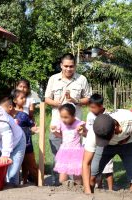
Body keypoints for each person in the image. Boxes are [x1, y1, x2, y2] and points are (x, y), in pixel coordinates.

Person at [45, 53, 91, 185]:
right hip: (57, 125)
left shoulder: (82, 79)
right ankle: (58, 185)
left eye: (71, 66)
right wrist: (58, 104)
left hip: (76, 128)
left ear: (75, 66)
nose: (68, 69)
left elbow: (88, 99)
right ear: (61, 65)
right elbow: (47, 98)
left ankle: (74, 186)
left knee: (75, 157)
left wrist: (74, 100)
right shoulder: (53, 79)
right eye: (65, 66)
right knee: (58, 156)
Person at [82, 109, 132, 194]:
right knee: (91, 176)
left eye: (106, 138)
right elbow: (86, 163)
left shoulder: (131, 120)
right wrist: (87, 192)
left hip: (130, 145)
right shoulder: (94, 133)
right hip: (106, 147)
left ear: (115, 128)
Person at [0, 95, 39, 185]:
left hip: (27, 145)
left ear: (10, 107)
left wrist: (36, 130)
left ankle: (39, 183)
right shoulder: (4, 119)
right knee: (16, 167)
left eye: (2, 110)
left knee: (31, 166)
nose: (1, 113)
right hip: (14, 146)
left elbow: (32, 127)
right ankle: (22, 183)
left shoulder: (23, 116)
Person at [51, 103, 87, 184]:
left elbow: (86, 134)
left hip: (76, 152)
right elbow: (60, 136)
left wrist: (83, 129)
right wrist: (54, 132)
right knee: (62, 178)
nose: (63, 119)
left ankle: (78, 188)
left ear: (73, 115)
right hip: (64, 152)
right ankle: (64, 190)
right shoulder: (61, 123)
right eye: (62, 117)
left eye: (66, 117)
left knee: (77, 175)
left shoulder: (79, 123)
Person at [85, 94, 114, 190]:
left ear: (101, 106)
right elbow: (89, 129)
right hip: (92, 143)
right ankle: (98, 186)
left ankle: (110, 189)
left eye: (93, 107)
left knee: (108, 167)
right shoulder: (90, 115)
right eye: (90, 107)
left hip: (105, 144)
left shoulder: (108, 115)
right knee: (95, 167)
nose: (91, 109)